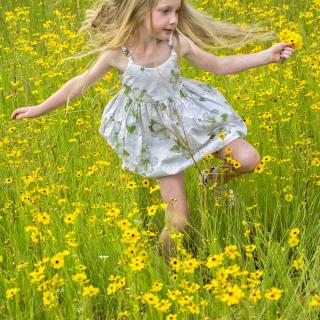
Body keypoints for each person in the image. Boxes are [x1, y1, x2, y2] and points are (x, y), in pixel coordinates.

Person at [10, 0, 295, 264]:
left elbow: (220, 66)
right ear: (139, 9)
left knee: (247, 159)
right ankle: (165, 268)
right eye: (165, 11)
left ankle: (211, 180)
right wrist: (40, 108)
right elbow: (79, 83)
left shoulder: (177, 43)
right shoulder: (117, 53)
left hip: (192, 119)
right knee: (178, 220)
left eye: (177, 12)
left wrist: (266, 56)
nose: (173, 19)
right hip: (157, 139)